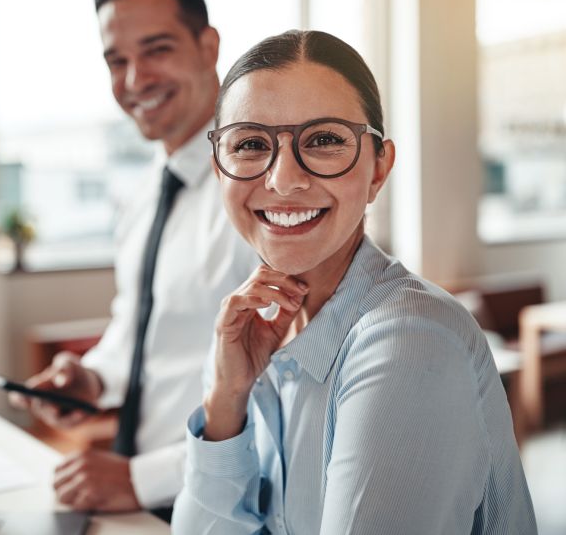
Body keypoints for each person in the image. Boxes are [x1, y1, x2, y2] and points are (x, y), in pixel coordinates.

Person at [172, 30, 537, 533]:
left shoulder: (410, 340)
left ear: (379, 168)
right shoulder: (265, 334)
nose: (282, 179)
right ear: (219, 170)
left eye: (323, 140)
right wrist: (225, 401)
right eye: (251, 144)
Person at [10, 0, 256, 519]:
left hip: (219, 502)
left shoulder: (261, 192)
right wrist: (92, 380)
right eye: (116, 61)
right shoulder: (143, 194)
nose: (134, 79)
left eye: (157, 49)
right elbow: (139, 329)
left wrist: (142, 479)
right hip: (133, 496)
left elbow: (284, 390)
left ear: (208, 46)